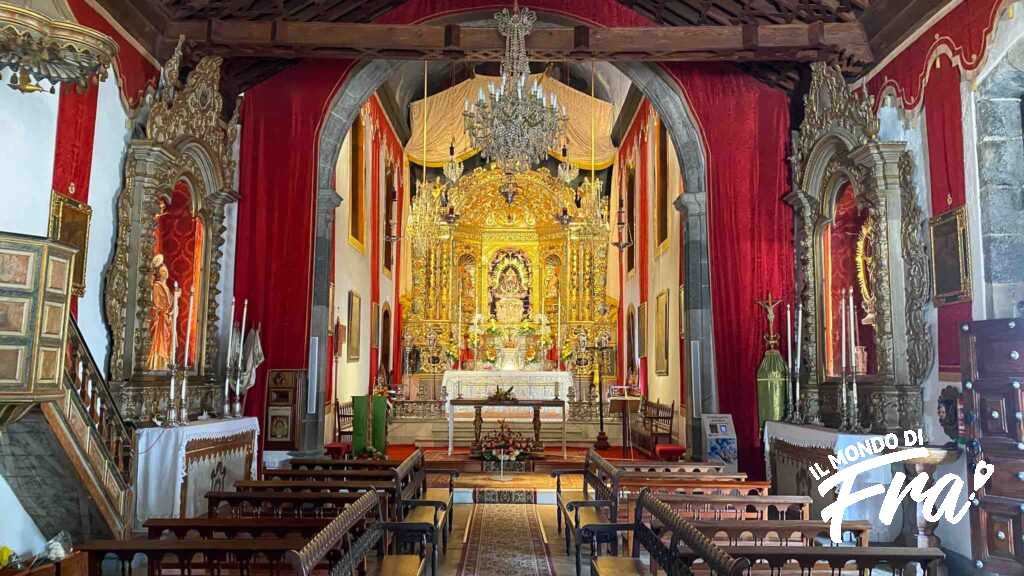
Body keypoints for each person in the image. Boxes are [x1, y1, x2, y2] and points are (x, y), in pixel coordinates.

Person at [146, 254, 180, 370]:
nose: (165, 273)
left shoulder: (166, 288)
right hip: (161, 320)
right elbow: (157, 304)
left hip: (167, 319)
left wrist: (176, 298)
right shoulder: (157, 286)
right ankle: (158, 364)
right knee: (160, 342)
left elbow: (171, 303)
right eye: (163, 271)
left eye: (166, 271)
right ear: (159, 273)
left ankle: (165, 363)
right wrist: (166, 312)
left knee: (167, 342)